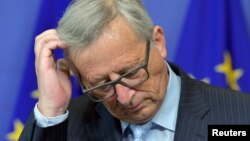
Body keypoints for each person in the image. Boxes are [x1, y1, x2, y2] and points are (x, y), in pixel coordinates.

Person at [19, 0, 250, 141]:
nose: (124, 97)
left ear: (158, 42)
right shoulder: (63, 126)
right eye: (101, 85)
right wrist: (52, 109)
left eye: (131, 73)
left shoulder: (239, 119)